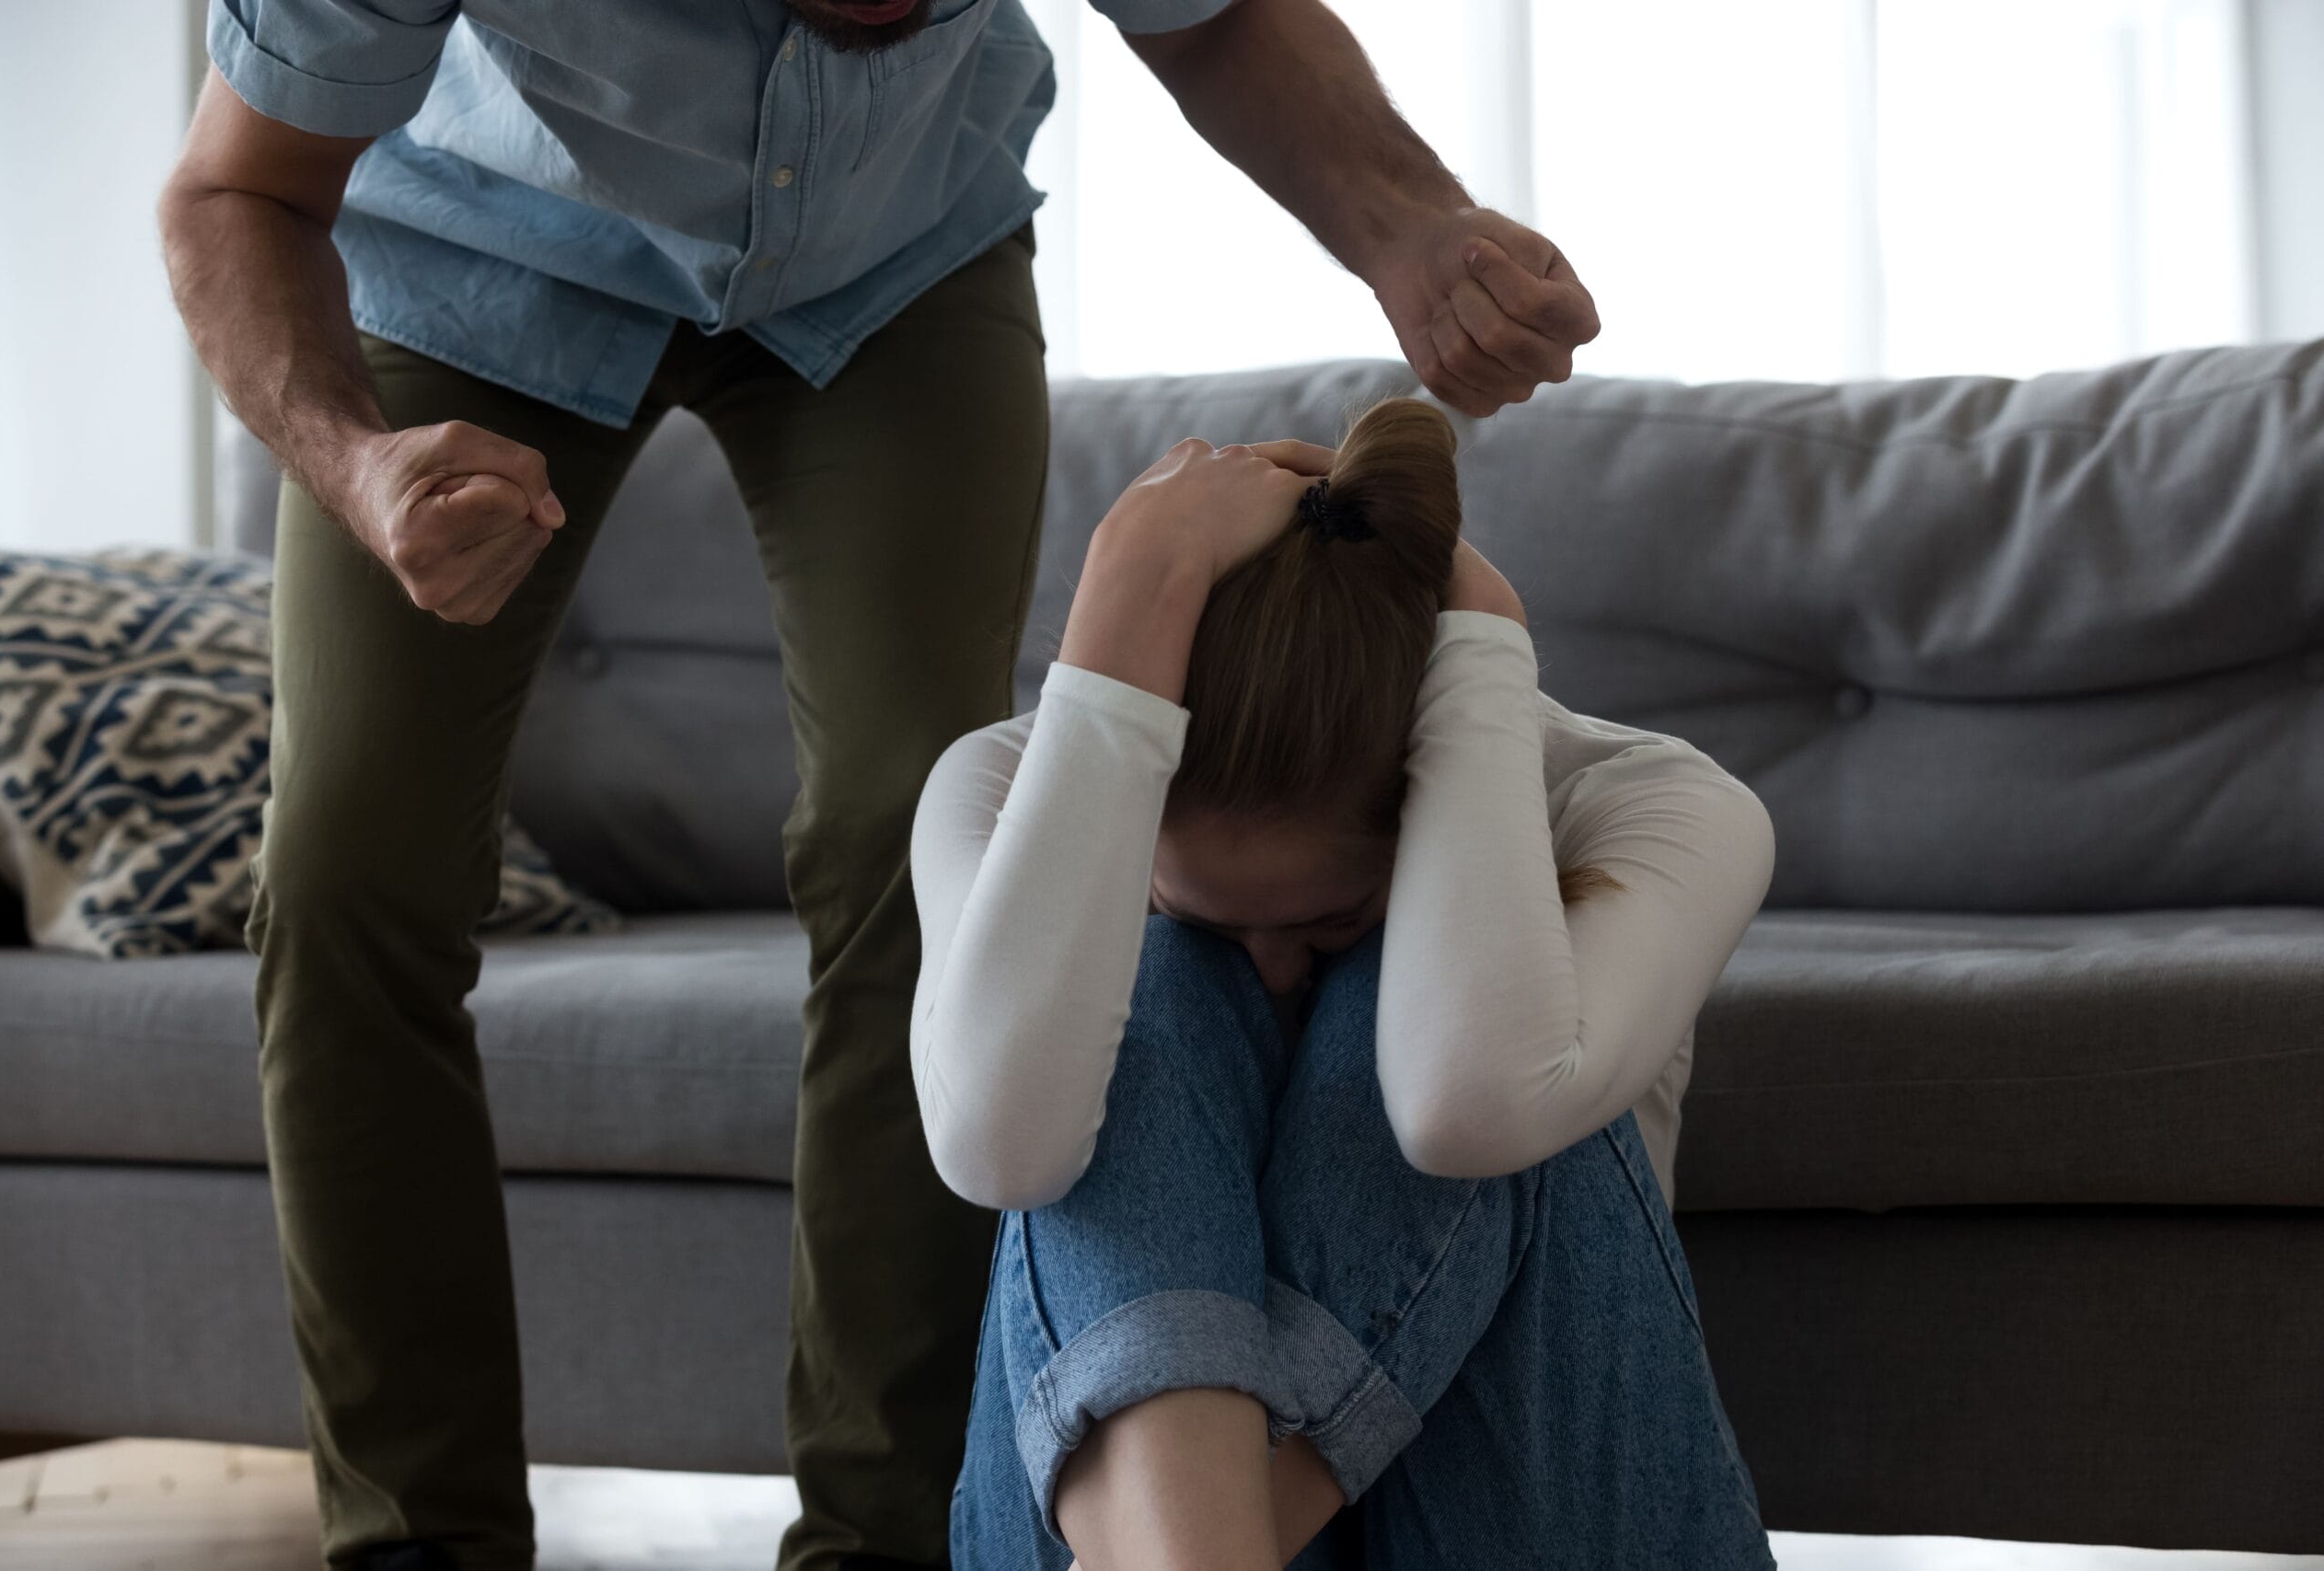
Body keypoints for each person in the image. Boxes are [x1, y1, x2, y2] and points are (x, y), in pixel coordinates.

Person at [155, 3, 1602, 1567]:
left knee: (916, 842)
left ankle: (887, 1544)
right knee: (345, 876)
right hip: (470, 279)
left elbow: (1222, 19)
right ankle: (417, 1543)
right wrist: (360, 465)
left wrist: (1413, 226)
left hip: (894, 269)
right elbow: (234, 191)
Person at [908, 400, 1780, 1567]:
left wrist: (1478, 630)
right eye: (1215, 911)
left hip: (1528, 1512)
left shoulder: (1661, 805)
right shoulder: (1011, 784)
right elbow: (1002, 1142)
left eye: (1319, 924)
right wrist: (1127, 595)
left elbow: (1467, 1098)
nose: (1274, 966)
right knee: (1148, 985)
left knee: (1430, 1003)